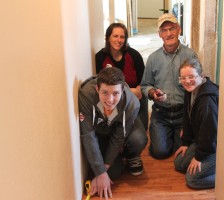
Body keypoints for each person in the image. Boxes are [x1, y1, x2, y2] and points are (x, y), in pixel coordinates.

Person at [79, 67, 148, 199]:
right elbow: (88, 135)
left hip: (118, 130)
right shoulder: (86, 95)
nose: (110, 99)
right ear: (97, 89)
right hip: (101, 132)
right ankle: (116, 158)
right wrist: (101, 173)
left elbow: (119, 136)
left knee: (139, 138)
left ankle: (131, 155)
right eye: (105, 92)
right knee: (114, 172)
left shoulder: (133, 104)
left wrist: (101, 171)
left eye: (116, 93)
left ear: (122, 90)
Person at [141, 13, 198, 159]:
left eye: (171, 28)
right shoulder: (153, 58)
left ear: (178, 29)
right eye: (164, 30)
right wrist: (153, 93)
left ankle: (174, 137)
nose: (168, 33)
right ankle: (166, 137)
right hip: (161, 114)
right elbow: (145, 85)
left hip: (183, 114)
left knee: (182, 154)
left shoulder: (190, 55)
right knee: (160, 152)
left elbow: (198, 85)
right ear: (159, 34)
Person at [174, 58, 218, 189]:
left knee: (192, 179)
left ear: (201, 75)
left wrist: (198, 157)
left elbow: (210, 132)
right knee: (179, 163)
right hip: (202, 141)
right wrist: (186, 142)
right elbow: (187, 118)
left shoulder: (207, 100)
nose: (187, 81)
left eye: (191, 76)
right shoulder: (191, 90)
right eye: (183, 78)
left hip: (215, 146)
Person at [95, 22, 148, 130]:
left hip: (135, 99)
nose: (119, 40)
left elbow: (143, 82)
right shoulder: (100, 57)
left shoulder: (134, 55)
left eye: (122, 37)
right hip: (112, 100)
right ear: (108, 37)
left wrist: (137, 90)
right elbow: (100, 84)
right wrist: (129, 91)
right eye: (115, 36)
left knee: (140, 136)